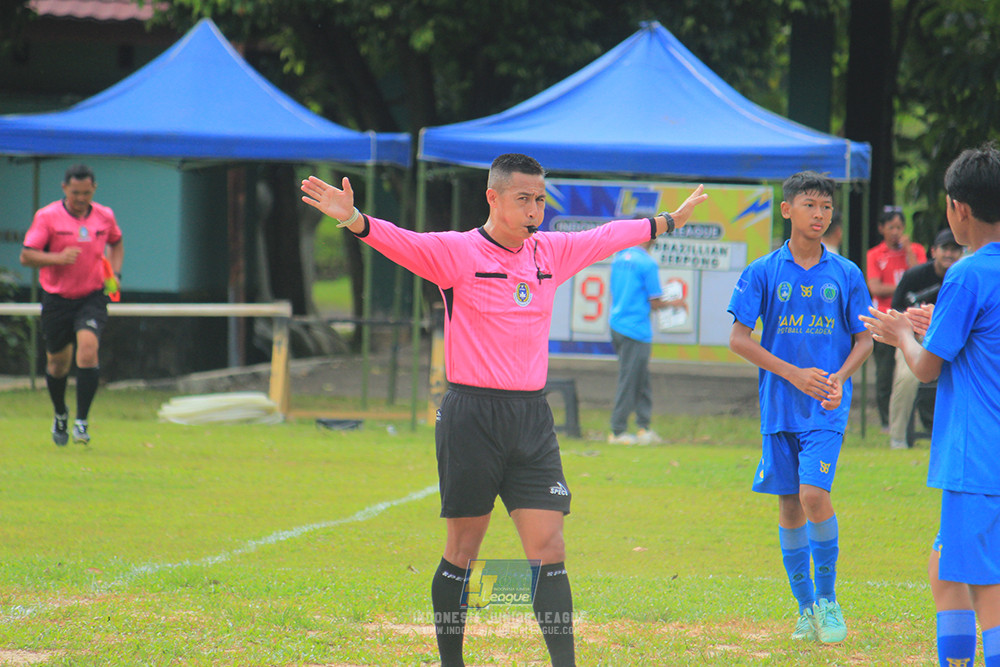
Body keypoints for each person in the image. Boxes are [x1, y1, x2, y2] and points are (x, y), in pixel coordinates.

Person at [301, 154, 707, 667]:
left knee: (549, 548)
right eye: (523, 199)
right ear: (493, 197)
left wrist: (668, 221)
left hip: (531, 421)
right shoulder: (457, 252)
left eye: (540, 200)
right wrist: (354, 219)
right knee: (463, 550)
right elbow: (401, 241)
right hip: (471, 417)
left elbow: (608, 236)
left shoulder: (550, 252)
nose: (534, 209)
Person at [860, 143, 1000, 667]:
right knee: (944, 570)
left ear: (958, 208)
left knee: (987, 587)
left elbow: (926, 368)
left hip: (976, 456)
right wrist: (935, 324)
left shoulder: (967, 273)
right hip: (986, 457)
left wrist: (901, 332)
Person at [727, 170, 873, 644]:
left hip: (825, 406)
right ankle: (805, 609)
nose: (820, 214)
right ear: (787, 209)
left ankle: (828, 600)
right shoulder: (763, 271)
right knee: (789, 503)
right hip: (779, 404)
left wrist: (839, 378)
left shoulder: (846, 273)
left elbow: (865, 340)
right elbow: (738, 340)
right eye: (810, 205)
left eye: (826, 207)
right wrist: (792, 374)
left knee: (813, 495)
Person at [20, 164, 123, 446]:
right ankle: (60, 413)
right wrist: (57, 258)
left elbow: (116, 241)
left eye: (86, 193)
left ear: (94, 189)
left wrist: (114, 274)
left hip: (92, 296)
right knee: (57, 365)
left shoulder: (104, 215)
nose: (80, 198)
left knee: (88, 349)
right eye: (75, 193)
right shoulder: (47, 217)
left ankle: (82, 422)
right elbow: (27, 256)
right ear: (65, 188)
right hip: (57, 298)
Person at [886, 228, 964, 449]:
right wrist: (914, 328)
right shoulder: (915, 275)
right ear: (933, 251)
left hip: (952, 342)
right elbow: (895, 310)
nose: (949, 254)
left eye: (954, 249)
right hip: (914, 338)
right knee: (906, 378)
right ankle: (898, 437)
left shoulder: (963, 278)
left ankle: (959, 437)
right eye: (945, 248)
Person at [607, 237, 684, 446]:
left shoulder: (619, 258)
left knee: (640, 378)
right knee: (630, 380)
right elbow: (655, 302)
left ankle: (644, 428)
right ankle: (617, 431)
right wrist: (676, 303)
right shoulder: (647, 263)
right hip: (636, 329)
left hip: (617, 324)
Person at [866, 207, 927, 431]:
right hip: (885, 318)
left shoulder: (916, 250)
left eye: (899, 227)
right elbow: (875, 287)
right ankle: (886, 421)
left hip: (912, 320)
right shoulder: (875, 254)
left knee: (913, 372)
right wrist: (903, 288)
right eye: (891, 227)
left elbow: (922, 275)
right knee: (884, 373)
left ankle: (915, 422)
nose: (895, 232)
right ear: (881, 229)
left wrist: (908, 251)